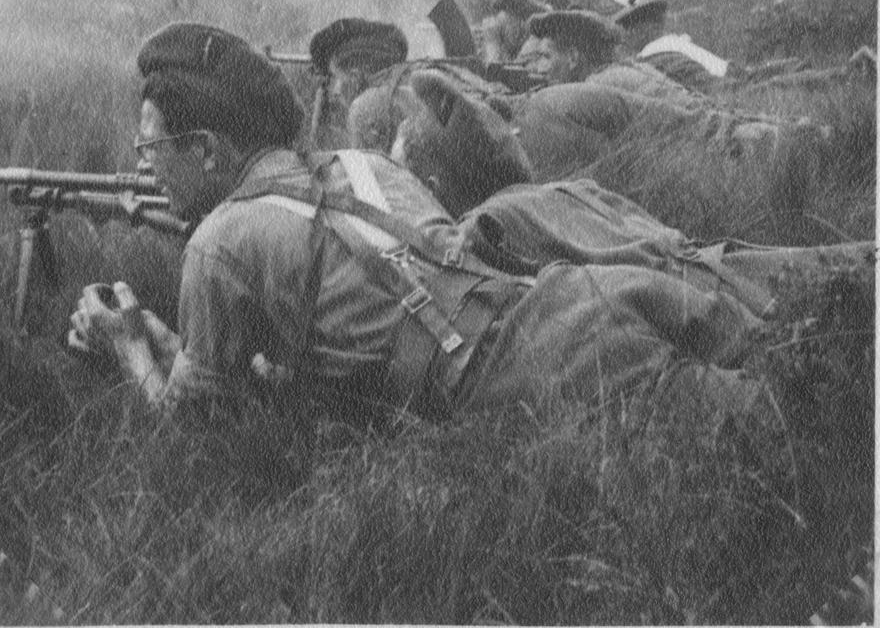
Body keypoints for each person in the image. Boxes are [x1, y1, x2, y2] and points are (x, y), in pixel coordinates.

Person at [68, 22, 778, 435]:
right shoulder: (360, 163)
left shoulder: (218, 243)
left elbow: (193, 432)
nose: (147, 169)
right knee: (820, 336)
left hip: (532, 374)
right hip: (576, 296)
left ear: (206, 150)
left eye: (152, 151)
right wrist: (182, 342)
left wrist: (131, 347)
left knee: (797, 431)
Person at [308, 17, 408, 148]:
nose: (335, 92)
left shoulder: (364, 108)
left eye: (335, 77)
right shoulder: (403, 87)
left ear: (355, 75)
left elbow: (361, 166)